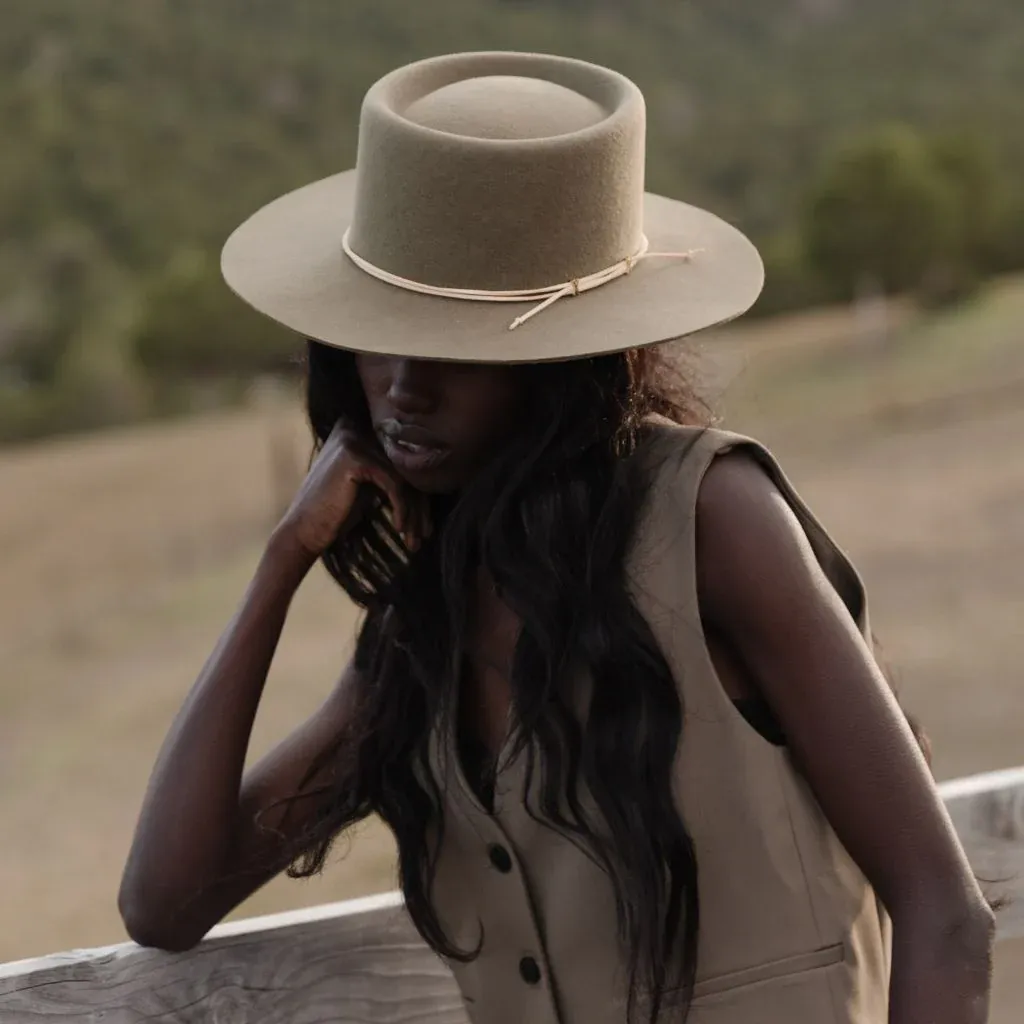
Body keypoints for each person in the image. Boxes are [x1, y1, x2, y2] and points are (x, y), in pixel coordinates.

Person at [118, 52, 994, 1024]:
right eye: (377, 331)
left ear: (557, 356)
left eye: (458, 341)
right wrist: (280, 563)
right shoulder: (420, 640)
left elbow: (944, 912)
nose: (405, 384)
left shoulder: (711, 518)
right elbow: (165, 900)